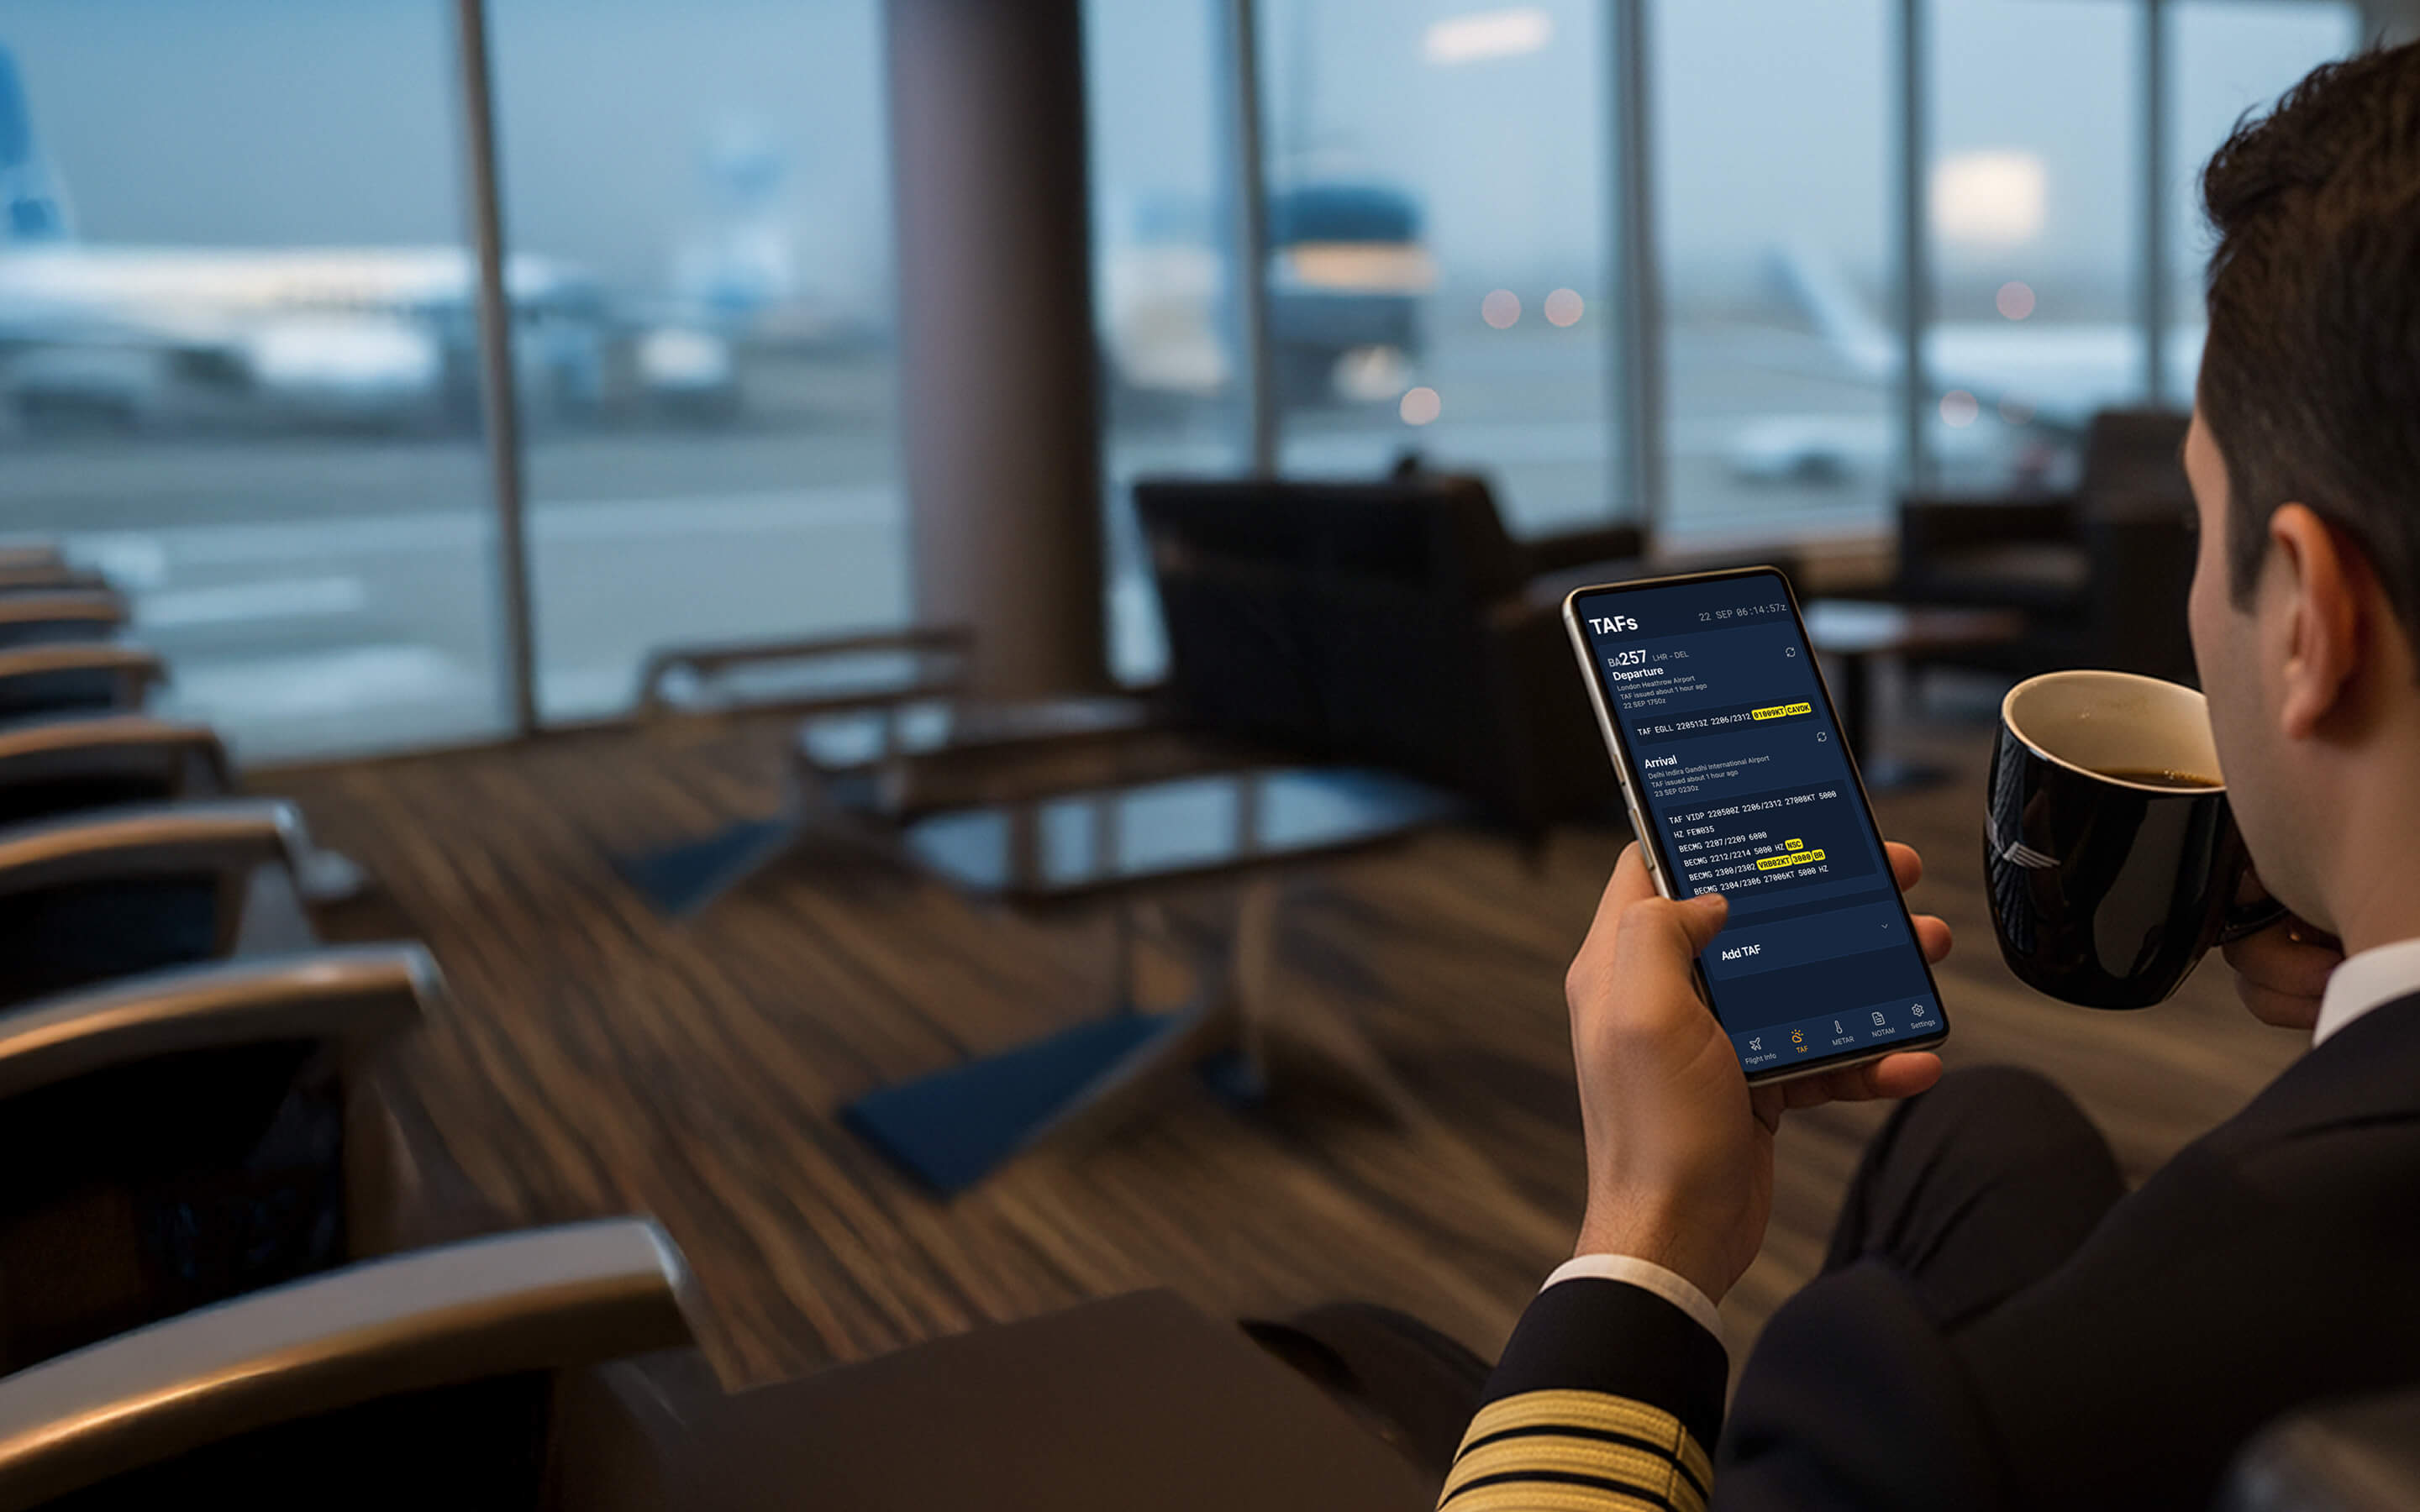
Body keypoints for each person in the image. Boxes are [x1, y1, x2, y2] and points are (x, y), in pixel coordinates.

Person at [1434, 43, 2420, 1511]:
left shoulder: (1972, 1427)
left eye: (2204, 529)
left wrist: (1643, 1238)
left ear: (2310, 620)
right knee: (1986, 1121)